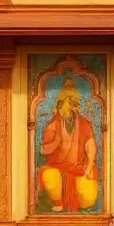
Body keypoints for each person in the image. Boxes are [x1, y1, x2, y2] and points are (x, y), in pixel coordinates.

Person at [38, 78, 98, 212]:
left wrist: (88, 167)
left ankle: (75, 199)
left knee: (88, 198)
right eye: (67, 103)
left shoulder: (84, 124)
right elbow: (43, 150)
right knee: (49, 177)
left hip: (79, 167)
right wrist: (56, 142)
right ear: (60, 105)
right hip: (57, 168)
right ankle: (59, 202)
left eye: (73, 104)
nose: (70, 107)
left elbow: (90, 145)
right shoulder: (52, 126)